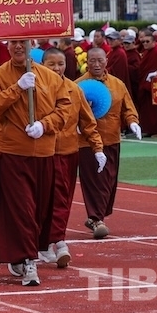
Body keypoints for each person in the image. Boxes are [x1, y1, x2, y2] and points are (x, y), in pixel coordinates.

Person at [0, 40, 73, 287]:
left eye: (23, 43)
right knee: (21, 208)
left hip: (44, 152)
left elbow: (64, 108)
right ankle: (28, 260)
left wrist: (44, 125)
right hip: (12, 152)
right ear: (8, 46)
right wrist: (16, 88)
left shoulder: (49, 76)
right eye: (14, 44)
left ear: (32, 45)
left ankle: (28, 252)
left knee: (40, 209)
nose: (19, 48)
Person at [40, 48, 102, 267]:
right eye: (52, 64)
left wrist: (98, 148)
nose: (57, 69)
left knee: (63, 199)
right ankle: (50, 241)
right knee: (44, 200)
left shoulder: (74, 90)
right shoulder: (36, 89)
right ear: (42, 65)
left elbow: (87, 121)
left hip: (68, 152)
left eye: (61, 64)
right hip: (43, 153)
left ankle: (56, 239)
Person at [76, 48, 140, 239]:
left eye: (100, 61)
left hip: (112, 139)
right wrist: (76, 125)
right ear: (87, 62)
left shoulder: (117, 84)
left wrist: (133, 122)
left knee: (109, 182)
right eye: (92, 61)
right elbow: (68, 110)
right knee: (95, 182)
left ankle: (97, 217)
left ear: (106, 61)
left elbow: (127, 108)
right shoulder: (78, 85)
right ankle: (96, 219)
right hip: (87, 142)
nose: (96, 65)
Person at [136, 30, 157, 137]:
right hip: (145, 83)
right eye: (143, 42)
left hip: (153, 85)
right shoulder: (147, 52)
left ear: (153, 42)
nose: (145, 44)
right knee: (147, 110)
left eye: (147, 41)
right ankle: (149, 129)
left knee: (155, 110)